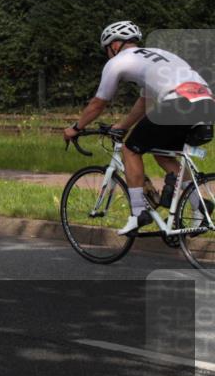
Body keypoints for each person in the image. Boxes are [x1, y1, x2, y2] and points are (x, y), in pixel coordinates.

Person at [63, 21, 215, 235]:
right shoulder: (156, 55)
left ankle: (138, 214)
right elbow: (145, 102)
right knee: (162, 154)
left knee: (130, 150)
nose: (108, 54)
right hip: (206, 103)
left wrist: (75, 128)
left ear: (114, 45)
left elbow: (98, 103)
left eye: (107, 49)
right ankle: (200, 205)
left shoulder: (118, 62)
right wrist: (123, 125)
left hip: (178, 103)